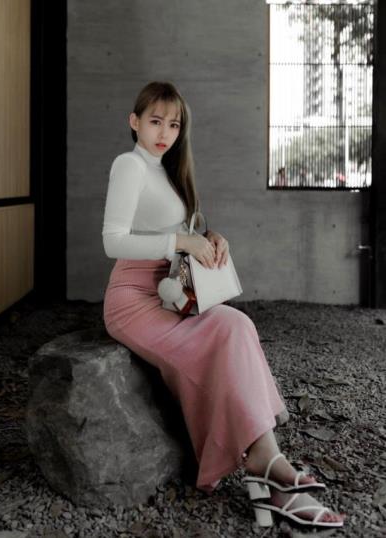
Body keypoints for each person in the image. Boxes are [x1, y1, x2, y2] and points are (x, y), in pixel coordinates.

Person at [101, 81, 344, 529]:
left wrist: (208, 237)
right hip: (133, 299)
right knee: (224, 330)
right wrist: (181, 242)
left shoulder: (165, 170)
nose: (164, 132)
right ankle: (270, 471)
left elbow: (175, 232)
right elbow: (113, 242)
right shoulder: (129, 165)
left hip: (169, 290)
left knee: (236, 325)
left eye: (174, 125)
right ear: (134, 122)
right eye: (155, 121)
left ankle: (267, 464)